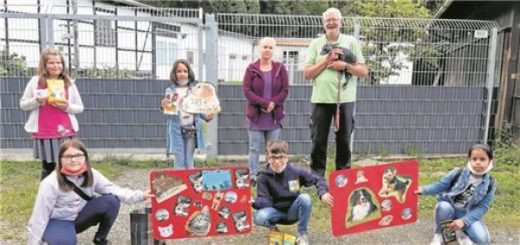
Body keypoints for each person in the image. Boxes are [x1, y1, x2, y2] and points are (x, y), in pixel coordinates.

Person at [26, 139, 153, 245]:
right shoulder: (50, 183)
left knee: (111, 200)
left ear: (85, 157)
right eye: (68, 156)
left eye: (78, 155)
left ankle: (100, 238)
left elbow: (114, 189)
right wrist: (34, 242)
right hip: (59, 221)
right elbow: (39, 216)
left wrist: (140, 195)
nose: (74, 160)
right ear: (60, 159)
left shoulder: (92, 174)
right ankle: (58, 235)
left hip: (80, 217)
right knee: (64, 242)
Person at [303, 7, 368, 177]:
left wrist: (344, 66)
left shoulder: (351, 42)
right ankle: (316, 177)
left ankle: (343, 177)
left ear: (341, 22)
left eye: (334, 19)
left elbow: (363, 71)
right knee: (318, 141)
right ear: (323, 23)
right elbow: (307, 74)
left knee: (344, 140)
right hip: (321, 99)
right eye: (328, 20)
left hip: (345, 99)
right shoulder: (315, 44)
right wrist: (327, 60)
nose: (331, 23)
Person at [20, 47, 84, 180]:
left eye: (59, 62)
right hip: (45, 132)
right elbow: (23, 104)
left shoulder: (69, 83)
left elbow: (79, 107)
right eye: (51, 63)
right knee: (48, 168)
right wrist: (36, 101)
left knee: (69, 165)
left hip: (65, 132)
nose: (56, 66)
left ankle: (70, 195)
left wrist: (67, 106)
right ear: (44, 65)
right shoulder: (35, 82)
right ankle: (47, 197)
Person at [252, 140, 334, 245]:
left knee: (305, 198)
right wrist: (254, 202)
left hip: (293, 212)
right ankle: (274, 230)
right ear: (268, 158)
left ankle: (302, 234)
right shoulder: (263, 176)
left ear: (286, 157)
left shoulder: (295, 172)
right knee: (259, 217)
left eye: (281, 157)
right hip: (275, 213)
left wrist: (323, 192)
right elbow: (265, 200)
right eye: (273, 157)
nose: (277, 161)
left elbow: (318, 179)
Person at [416, 144, 497, 245]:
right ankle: (440, 234)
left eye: (482, 159)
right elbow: (440, 186)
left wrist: (464, 221)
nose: (478, 162)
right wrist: (423, 190)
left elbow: (483, 207)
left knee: (483, 240)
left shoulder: (491, 183)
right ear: (469, 160)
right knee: (443, 206)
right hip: (450, 207)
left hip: (467, 213)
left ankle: (463, 233)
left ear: (490, 161)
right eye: (474, 159)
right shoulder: (457, 173)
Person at [243, 37, 289, 185]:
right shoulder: (251, 69)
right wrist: (264, 103)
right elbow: (247, 91)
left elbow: (285, 90)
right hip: (256, 116)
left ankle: (271, 174)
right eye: (264, 47)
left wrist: (273, 104)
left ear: (273, 50)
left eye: (270, 47)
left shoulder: (280, 68)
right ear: (259, 49)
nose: (267, 50)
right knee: (254, 148)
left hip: (273, 116)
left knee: (273, 149)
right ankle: (254, 176)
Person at [160, 59, 214, 169]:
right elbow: (167, 108)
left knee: (189, 158)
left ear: (189, 73)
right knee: (179, 159)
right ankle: (181, 183)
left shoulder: (194, 91)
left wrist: (207, 116)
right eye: (179, 71)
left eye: (185, 71)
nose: (182, 74)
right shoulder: (170, 90)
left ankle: (190, 182)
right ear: (174, 74)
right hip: (176, 130)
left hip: (191, 129)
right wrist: (162, 105)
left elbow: (199, 109)